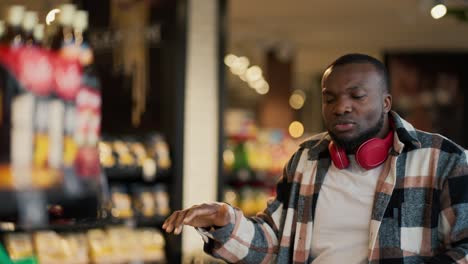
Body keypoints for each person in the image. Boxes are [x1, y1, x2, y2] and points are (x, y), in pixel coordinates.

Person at [163, 54, 468, 263]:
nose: (341, 107)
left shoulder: (444, 161)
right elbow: (273, 246)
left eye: (357, 96)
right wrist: (226, 221)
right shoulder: (305, 159)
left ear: (386, 102)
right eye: (330, 98)